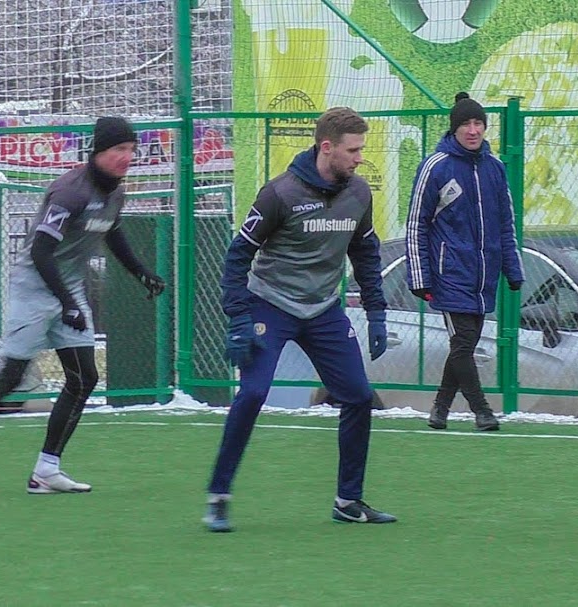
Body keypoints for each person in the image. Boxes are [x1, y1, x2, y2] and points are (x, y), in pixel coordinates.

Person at [0, 116, 166, 494]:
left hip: (65, 288)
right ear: (99, 151)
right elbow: (41, 251)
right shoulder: (70, 191)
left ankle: (45, 471)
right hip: (33, 286)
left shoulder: (116, 191)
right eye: (119, 149)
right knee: (12, 376)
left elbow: (113, 230)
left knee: (84, 377)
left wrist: (140, 272)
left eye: (132, 149)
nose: (127, 156)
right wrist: (68, 302)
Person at [204, 107, 394, 532]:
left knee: (359, 397)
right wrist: (237, 316)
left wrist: (377, 310)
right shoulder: (279, 194)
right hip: (270, 305)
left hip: (324, 310)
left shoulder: (359, 194)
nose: (359, 158)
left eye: (361, 149)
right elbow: (238, 256)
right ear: (326, 148)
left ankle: (348, 501)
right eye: (353, 150)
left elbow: (364, 253)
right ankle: (218, 496)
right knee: (252, 394)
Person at [405, 92, 524, 432]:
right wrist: (420, 276)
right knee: (462, 345)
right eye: (465, 124)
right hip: (449, 273)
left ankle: (440, 409)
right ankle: (482, 411)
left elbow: (506, 223)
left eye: (478, 123)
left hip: (482, 277)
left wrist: (512, 269)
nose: (472, 130)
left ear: (485, 127)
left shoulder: (495, 168)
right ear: (454, 129)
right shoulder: (435, 166)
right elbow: (416, 223)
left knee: (465, 344)